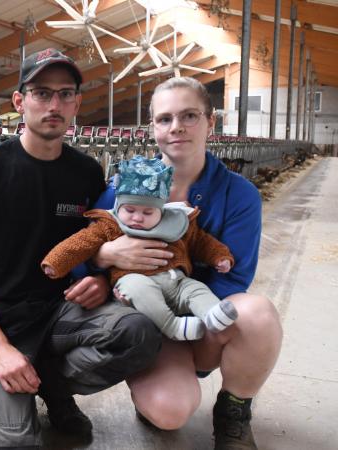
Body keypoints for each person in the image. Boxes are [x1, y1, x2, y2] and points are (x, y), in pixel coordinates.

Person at [0, 48, 162, 449]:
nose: (54, 105)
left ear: (78, 104)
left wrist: (100, 278)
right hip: (2, 321)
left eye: (66, 94)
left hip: (61, 311)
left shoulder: (85, 171)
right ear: (19, 102)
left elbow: (96, 242)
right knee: (11, 444)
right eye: (42, 93)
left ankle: (50, 385)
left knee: (139, 333)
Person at [93, 76, 283, 449]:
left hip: (201, 315)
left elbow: (236, 276)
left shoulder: (239, 194)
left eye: (189, 115)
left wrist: (195, 316)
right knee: (169, 412)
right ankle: (154, 381)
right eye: (164, 119)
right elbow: (90, 245)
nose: (176, 127)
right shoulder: (123, 186)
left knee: (257, 315)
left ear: (211, 122)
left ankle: (233, 410)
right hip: (145, 320)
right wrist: (106, 255)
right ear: (152, 128)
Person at [41, 155, 238, 342]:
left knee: (196, 289)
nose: (137, 218)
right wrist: (56, 262)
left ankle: (211, 313)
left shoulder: (177, 222)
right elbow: (79, 243)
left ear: (161, 210)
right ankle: (173, 327)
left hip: (177, 282)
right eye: (130, 210)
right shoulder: (110, 224)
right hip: (135, 281)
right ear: (118, 206)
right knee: (138, 289)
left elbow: (201, 242)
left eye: (148, 212)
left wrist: (220, 257)